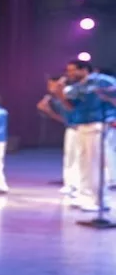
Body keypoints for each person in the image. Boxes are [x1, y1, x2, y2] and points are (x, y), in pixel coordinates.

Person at [49, 60, 116, 211]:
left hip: (98, 123)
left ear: (84, 69)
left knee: (95, 164)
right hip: (82, 125)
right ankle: (85, 196)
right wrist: (59, 94)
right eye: (68, 70)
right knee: (84, 164)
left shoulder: (102, 80)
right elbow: (70, 107)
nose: (69, 74)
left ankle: (99, 200)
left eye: (73, 70)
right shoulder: (77, 87)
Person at [37, 76, 80, 196]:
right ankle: (69, 184)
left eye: (53, 84)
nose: (50, 87)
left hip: (81, 129)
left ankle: (78, 185)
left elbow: (74, 111)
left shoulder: (71, 95)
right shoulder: (55, 100)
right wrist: (48, 111)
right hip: (71, 128)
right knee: (69, 158)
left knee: (78, 158)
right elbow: (64, 119)